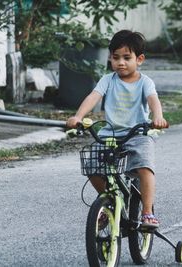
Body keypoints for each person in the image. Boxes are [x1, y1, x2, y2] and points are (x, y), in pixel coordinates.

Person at [67, 30, 168, 228]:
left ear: (139, 59)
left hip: (138, 134)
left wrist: (158, 117)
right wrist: (78, 117)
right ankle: (110, 202)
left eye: (126, 58)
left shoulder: (144, 82)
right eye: (115, 58)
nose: (120, 62)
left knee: (145, 166)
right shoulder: (108, 80)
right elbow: (93, 97)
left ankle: (147, 212)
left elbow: (153, 100)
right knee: (92, 166)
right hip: (110, 135)